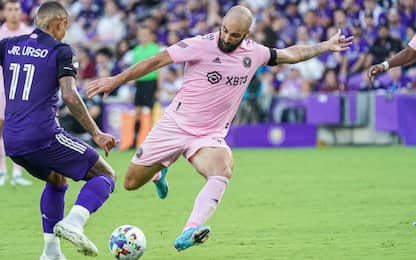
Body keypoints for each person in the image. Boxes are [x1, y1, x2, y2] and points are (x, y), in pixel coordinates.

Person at [87, 5, 353, 252]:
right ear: (221, 24)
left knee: (223, 168)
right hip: (174, 126)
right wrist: (116, 80)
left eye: (234, 35)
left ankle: (189, 230)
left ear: (246, 35)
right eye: (224, 30)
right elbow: (156, 61)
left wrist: (326, 46)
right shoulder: (199, 45)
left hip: (208, 135)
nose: (226, 37)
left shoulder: (255, 53)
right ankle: (161, 170)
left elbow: (293, 54)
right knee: (131, 183)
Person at [0, 2, 117, 259]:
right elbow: (70, 95)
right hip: (43, 134)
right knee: (106, 175)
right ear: (61, 23)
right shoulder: (60, 50)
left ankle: (51, 252)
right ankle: (74, 222)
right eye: (67, 26)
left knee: (56, 178)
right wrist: (97, 132)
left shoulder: (8, 45)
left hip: (11, 139)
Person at [0, 0, 33, 186]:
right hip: (0, 88)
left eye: (17, 9)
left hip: (23, 90)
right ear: (4, 13)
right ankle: (2, 171)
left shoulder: (29, 33)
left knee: (20, 131)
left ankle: (18, 173)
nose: (14, 13)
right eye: (10, 9)